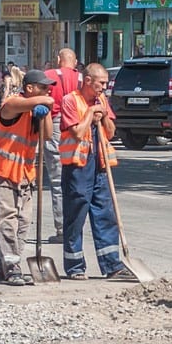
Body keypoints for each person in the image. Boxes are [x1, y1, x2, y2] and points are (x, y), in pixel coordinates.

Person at [59, 63, 133, 281]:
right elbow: (77, 132)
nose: (104, 87)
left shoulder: (102, 100)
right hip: (77, 167)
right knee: (76, 214)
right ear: (87, 80)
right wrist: (91, 114)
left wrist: (104, 118)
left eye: (106, 83)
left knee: (105, 213)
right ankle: (75, 266)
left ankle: (112, 265)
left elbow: (110, 133)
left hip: (99, 164)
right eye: (101, 82)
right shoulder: (71, 100)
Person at [0, 69, 55, 286]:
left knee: (23, 222)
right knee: (7, 220)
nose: (48, 91)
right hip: (5, 171)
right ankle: (12, 267)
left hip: (26, 174)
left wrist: (44, 114)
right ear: (29, 88)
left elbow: (46, 135)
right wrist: (45, 101)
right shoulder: (12, 104)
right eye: (43, 87)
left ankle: (4, 265)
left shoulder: (36, 110)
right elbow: (16, 107)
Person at [44, 48, 81, 243]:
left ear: (59, 59)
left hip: (56, 124)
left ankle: (62, 229)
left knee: (58, 180)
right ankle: (77, 227)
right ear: (74, 62)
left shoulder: (49, 76)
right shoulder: (83, 79)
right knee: (79, 176)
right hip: (80, 126)